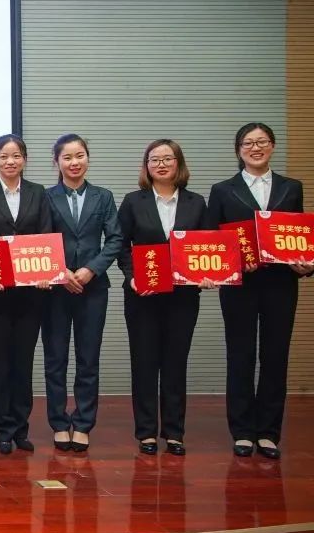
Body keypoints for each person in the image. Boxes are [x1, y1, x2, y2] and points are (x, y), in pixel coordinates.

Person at [207, 123, 313, 459]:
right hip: (239, 286)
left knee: (275, 355)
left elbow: (299, 236)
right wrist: (226, 266)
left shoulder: (291, 187)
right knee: (240, 355)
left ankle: (268, 432)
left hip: (281, 284)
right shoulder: (223, 190)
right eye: (248, 143)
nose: (256, 148)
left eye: (262, 141)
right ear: (238, 150)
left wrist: (307, 265)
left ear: (272, 146)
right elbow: (212, 240)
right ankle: (241, 431)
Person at [117, 139, 210, 456]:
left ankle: (174, 432)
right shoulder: (133, 201)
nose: (161, 164)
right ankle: (145, 432)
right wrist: (131, 276)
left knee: (175, 362)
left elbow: (207, 245)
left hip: (183, 296)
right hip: (143, 295)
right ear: (146, 166)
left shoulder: (196, 203)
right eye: (154, 159)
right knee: (144, 363)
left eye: (167, 159)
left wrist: (208, 273)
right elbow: (121, 244)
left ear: (178, 163)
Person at [0, 134, 52, 454]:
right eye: (3, 156)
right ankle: (2, 428)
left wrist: (45, 272)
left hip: (32, 292)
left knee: (23, 361)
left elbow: (45, 234)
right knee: (0, 362)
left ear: (25, 160)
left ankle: (21, 427)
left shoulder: (38, 192)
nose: (10, 161)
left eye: (16, 155)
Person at [42, 134, 122, 453]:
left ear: (88, 158)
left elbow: (115, 239)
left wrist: (91, 269)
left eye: (80, 156)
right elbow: (39, 238)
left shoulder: (103, 197)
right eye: (67, 157)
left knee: (88, 358)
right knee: (55, 358)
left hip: (93, 288)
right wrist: (60, 271)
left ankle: (84, 422)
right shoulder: (45, 197)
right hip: (55, 289)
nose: (74, 162)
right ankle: (59, 423)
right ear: (57, 162)